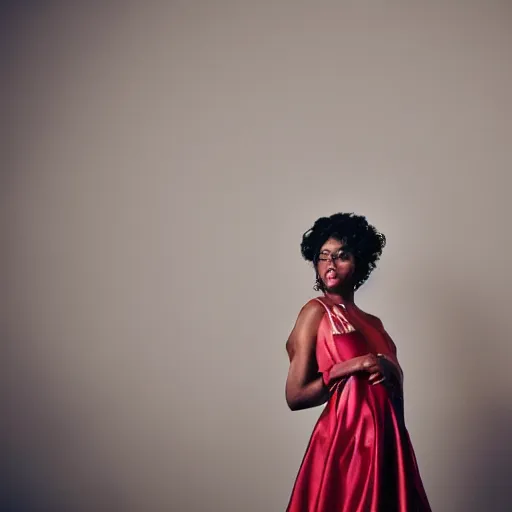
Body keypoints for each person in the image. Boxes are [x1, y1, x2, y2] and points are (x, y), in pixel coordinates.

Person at [285, 212, 431, 512]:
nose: (330, 264)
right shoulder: (316, 312)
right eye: (323, 256)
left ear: (359, 262)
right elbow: (295, 395)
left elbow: (394, 393)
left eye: (341, 256)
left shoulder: (375, 324)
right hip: (347, 444)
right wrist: (352, 365)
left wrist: (392, 371)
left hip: (389, 442)